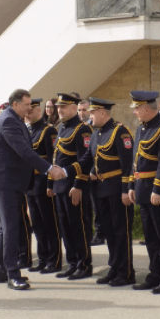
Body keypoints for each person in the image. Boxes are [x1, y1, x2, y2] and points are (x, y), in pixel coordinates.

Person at [0, 89, 64, 291]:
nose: (29, 107)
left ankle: (2, 270)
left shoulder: (15, 119)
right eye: (26, 104)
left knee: (6, 227)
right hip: (5, 182)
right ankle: (13, 274)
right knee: (12, 227)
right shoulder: (9, 121)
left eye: (31, 104)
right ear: (15, 104)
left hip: (10, 182)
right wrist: (49, 168)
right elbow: (24, 152)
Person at [65, 97, 135, 286]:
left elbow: (128, 164)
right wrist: (65, 171)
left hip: (116, 189)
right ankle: (114, 268)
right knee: (110, 232)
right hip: (101, 189)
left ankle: (126, 272)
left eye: (93, 112)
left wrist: (125, 190)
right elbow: (86, 160)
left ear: (103, 113)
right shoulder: (96, 134)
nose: (90, 116)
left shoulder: (120, 132)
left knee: (121, 231)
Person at [128, 90, 160, 294]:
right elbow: (136, 160)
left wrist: (159, 188)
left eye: (137, 108)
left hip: (157, 192)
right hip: (142, 189)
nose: (135, 112)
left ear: (147, 108)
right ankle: (154, 274)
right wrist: (132, 184)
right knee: (150, 237)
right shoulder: (142, 129)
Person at [52, 93, 94, 280]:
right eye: (58, 107)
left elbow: (85, 161)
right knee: (65, 227)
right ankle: (72, 262)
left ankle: (84, 265)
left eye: (63, 107)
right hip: (61, 186)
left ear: (74, 108)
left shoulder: (82, 129)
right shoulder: (62, 127)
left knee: (79, 226)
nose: (59, 110)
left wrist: (78, 185)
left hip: (74, 187)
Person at [25, 98, 63, 274]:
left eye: (30, 111)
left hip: (43, 182)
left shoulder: (48, 130)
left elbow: (51, 158)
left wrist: (50, 184)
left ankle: (53, 260)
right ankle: (42, 258)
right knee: (37, 224)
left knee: (50, 223)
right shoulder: (28, 130)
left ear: (38, 111)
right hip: (31, 183)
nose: (27, 114)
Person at [78, 98, 104, 246]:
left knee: (96, 205)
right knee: (89, 204)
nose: (82, 113)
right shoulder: (81, 127)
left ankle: (100, 234)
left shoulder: (93, 127)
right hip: (83, 173)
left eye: (85, 110)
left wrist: (93, 169)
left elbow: (97, 151)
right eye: (80, 110)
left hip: (94, 173)